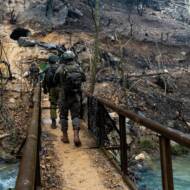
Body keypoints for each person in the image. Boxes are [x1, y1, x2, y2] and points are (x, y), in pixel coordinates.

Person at [54, 50, 86, 147]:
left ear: (64, 58)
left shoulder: (61, 68)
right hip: (76, 96)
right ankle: (76, 136)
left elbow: (55, 80)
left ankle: (65, 136)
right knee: (75, 116)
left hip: (64, 96)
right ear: (73, 57)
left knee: (63, 116)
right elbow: (84, 79)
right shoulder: (78, 68)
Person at [42, 55, 60, 129]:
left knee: (53, 105)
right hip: (60, 89)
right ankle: (62, 120)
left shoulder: (47, 69)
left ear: (49, 61)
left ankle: (53, 122)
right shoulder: (60, 67)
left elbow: (45, 80)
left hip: (52, 89)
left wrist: (45, 89)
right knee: (62, 104)